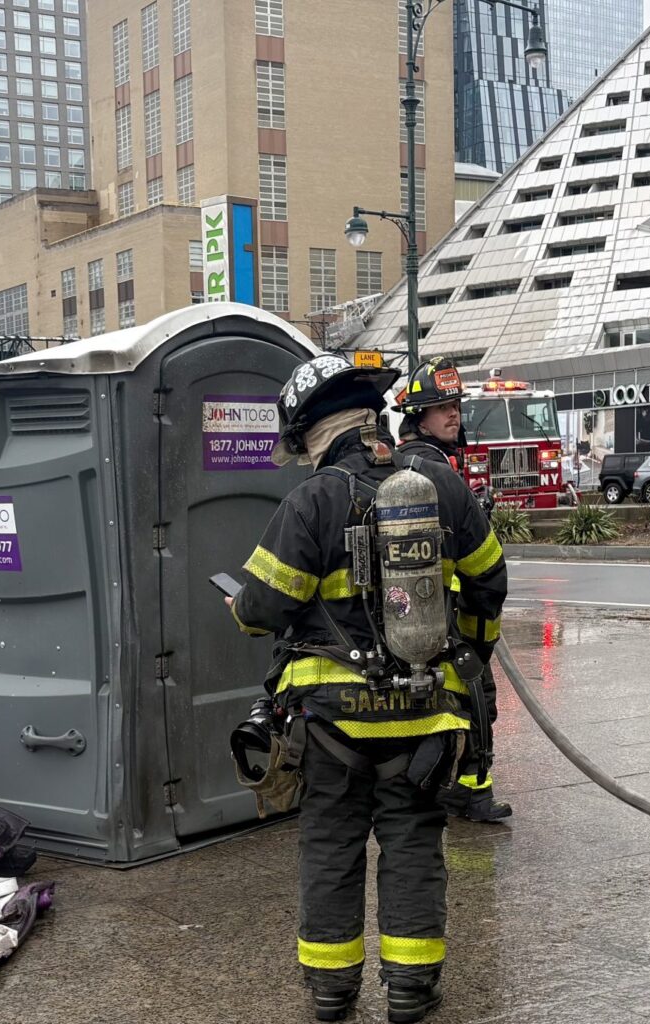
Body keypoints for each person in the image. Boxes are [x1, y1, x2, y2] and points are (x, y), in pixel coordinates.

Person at [228, 353, 507, 1024]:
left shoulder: (310, 502)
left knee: (331, 844)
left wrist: (240, 606)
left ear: (310, 432)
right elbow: (489, 582)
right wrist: (465, 649)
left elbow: (260, 609)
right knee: (413, 843)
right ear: (373, 420)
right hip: (423, 713)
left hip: (331, 724)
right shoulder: (441, 489)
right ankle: (411, 989)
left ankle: (332, 991)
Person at [392, 356, 512, 823]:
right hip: (450, 614)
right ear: (417, 416)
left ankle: (459, 787)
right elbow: (486, 569)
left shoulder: (407, 463)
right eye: (440, 406)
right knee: (476, 698)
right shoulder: (434, 470)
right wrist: (480, 639)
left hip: (418, 612)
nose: (453, 413)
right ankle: (469, 792)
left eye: (455, 404)